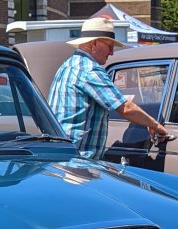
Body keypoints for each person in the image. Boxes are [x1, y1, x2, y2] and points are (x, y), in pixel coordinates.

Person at [48, 17, 167, 160]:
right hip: (78, 160)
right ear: (94, 44)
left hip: (62, 153)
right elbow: (125, 108)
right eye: (110, 46)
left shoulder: (68, 64)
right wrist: (155, 125)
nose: (112, 53)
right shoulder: (89, 70)